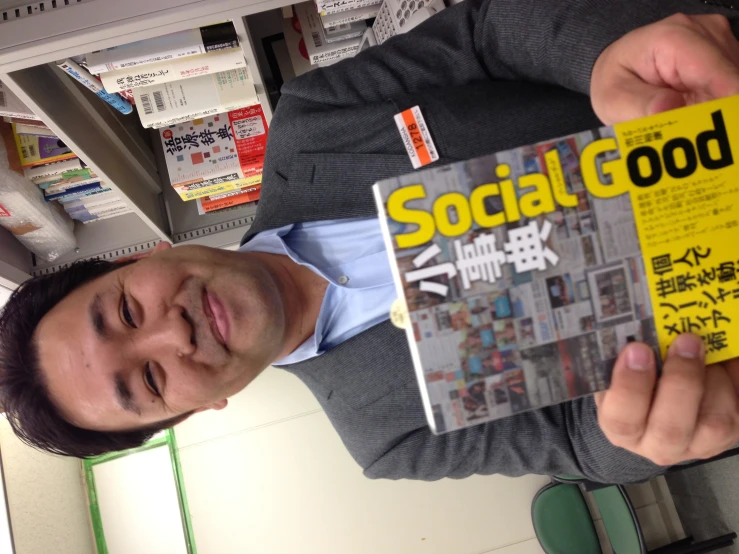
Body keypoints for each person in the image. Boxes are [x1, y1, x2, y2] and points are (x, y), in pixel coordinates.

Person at [1, 0, 739, 483]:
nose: (173, 333)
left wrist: (601, 61)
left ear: (141, 256)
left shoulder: (313, 117)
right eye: (152, 382)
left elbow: (485, 33)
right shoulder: (388, 436)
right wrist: (643, 434)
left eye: (127, 312)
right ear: (197, 411)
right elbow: (579, 445)